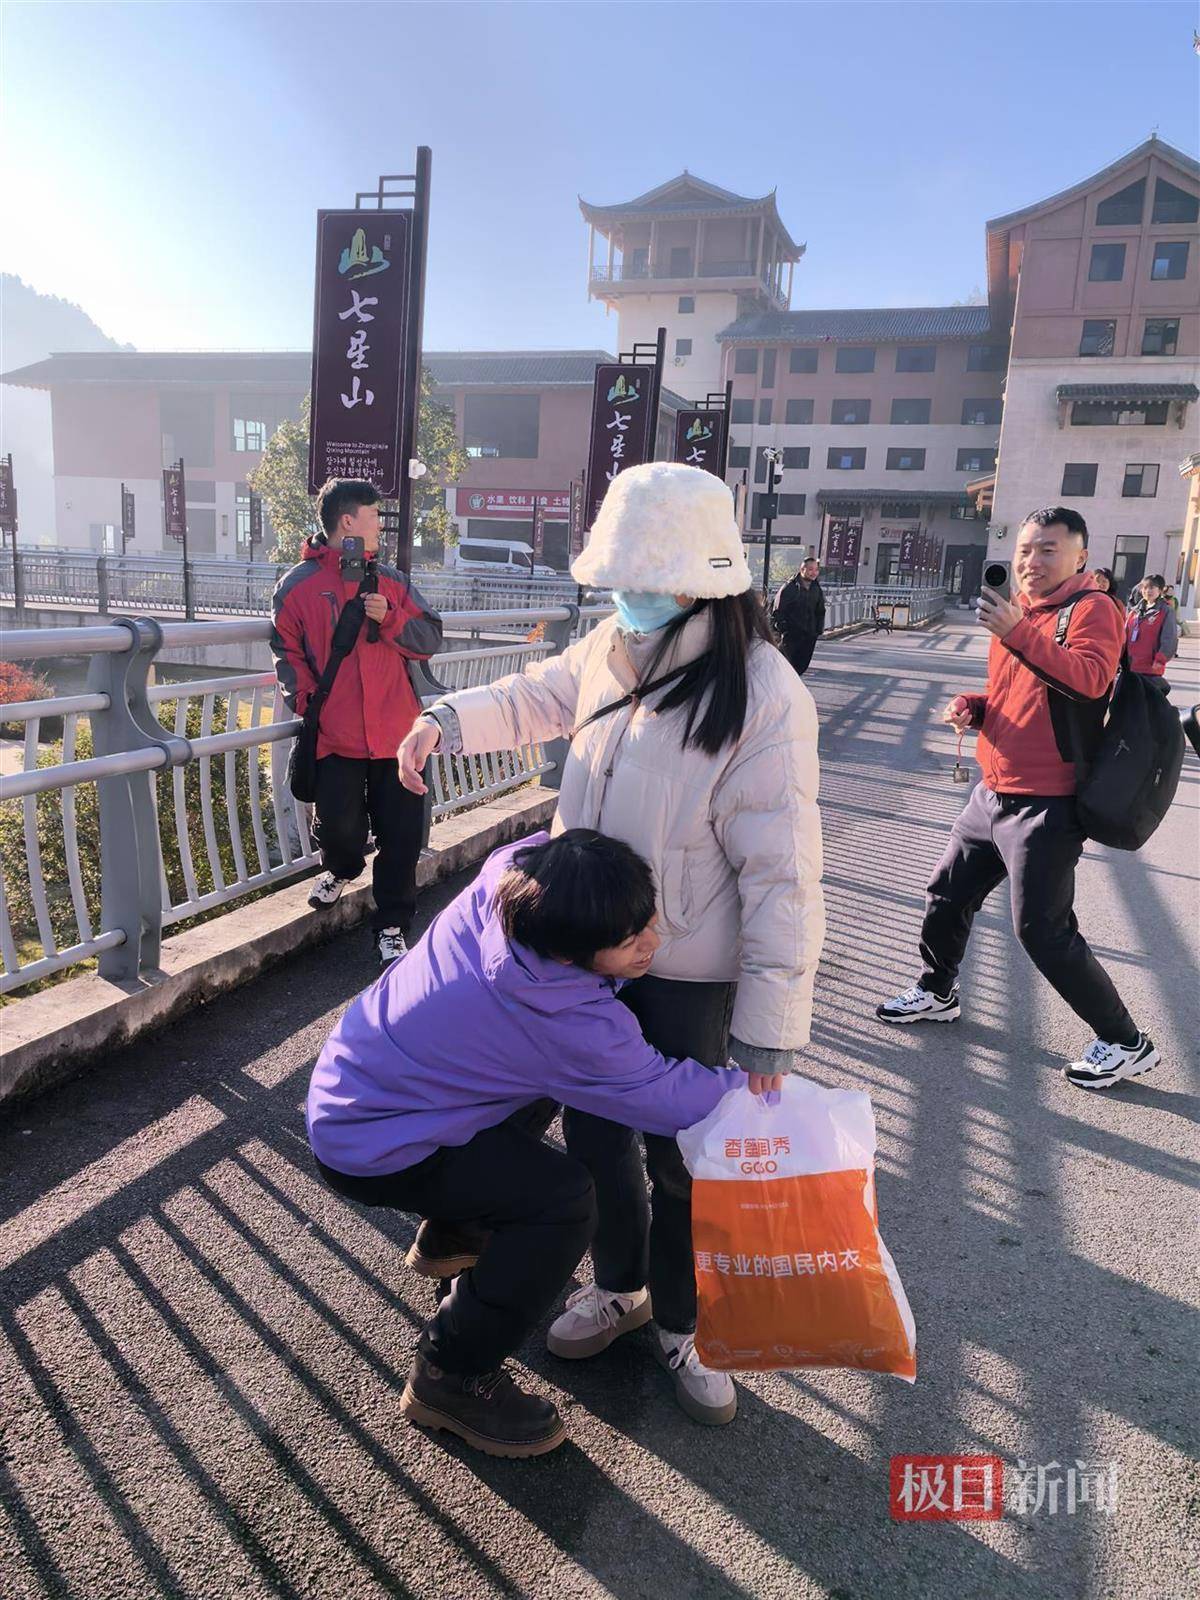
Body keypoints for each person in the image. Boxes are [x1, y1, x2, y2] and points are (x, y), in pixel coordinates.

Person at [397, 461, 824, 1425]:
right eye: (620, 572)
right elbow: (536, 695)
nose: (626, 591)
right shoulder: (611, 648)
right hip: (584, 957)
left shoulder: (763, 691)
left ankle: (686, 1323)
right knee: (595, 1135)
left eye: (643, 573)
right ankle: (621, 1285)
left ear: (699, 574)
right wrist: (443, 720)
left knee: (683, 1156)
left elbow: (784, 875)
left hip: (683, 971)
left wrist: (769, 1034)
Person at [308, 830, 776, 1458]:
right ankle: (451, 1372)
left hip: (360, 1081)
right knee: (564, 1202)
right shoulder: (563, 1020)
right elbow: (662, 1093)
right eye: (629, 941)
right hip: (376, 1144)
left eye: (649, 919)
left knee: (533, 1089)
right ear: (567, 953)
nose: (654, 942)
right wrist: (773, 1097)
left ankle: (456, 1231)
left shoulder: (509, 880)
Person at [876, 506, 1159, 1091]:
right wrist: (974, 708)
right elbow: (1018, 697)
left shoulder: (1092, 608)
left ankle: (1125, 1041)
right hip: (992, 791)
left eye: (1048, 550)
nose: (1032, 561)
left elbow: (1089, 679)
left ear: (1080, 556)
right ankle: (937, 989)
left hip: (1048, 802)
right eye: (1025, 550)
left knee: (1042, 930)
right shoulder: (1022, 613)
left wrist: (1016, 632)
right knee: (946, 894)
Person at [271, 479, 443, 965]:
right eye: (373, 517)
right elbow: (285, 650)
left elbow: (430, 638)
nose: (380, 527)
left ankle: (391, 925)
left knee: (401, 840)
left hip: (399, 737)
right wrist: (308, 702)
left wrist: (390, 619)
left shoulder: (393, 582)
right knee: (341, 832)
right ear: (347, 522)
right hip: (336, 736)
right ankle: (343, 868)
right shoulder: (297, 587)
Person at [772, 555, 826, 676]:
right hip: (791, 636)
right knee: (787, 667)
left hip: (809, 635)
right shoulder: (790, 587)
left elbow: (820, 610)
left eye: (816, 570)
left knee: (801, 667)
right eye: (810, 569)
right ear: (802, 569)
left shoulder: (816, 588)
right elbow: (778, 611)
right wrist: (783, 630)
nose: (814, 573)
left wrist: (818, 630)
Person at [1125, 574, 1178, 688]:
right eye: (1144, 588)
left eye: (1151, 588)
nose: (1147, 591)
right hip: (1130, 666)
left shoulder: (1165, 611)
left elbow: (1169, 638)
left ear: (1160, 590)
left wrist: (1160, 659)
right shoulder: (1134, 612)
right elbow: (1124, 636)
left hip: (1150, 669)